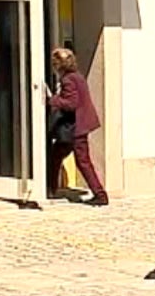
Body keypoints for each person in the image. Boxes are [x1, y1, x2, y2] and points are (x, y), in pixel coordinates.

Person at [45, 48, 108, 206]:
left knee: (82, 161)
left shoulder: (68, 80)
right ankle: (51, 188)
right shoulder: (77, 77)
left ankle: (100, 194)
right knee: (56, 155)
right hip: (76, 126)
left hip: (75, 128)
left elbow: (71, 103)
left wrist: (52, 100)